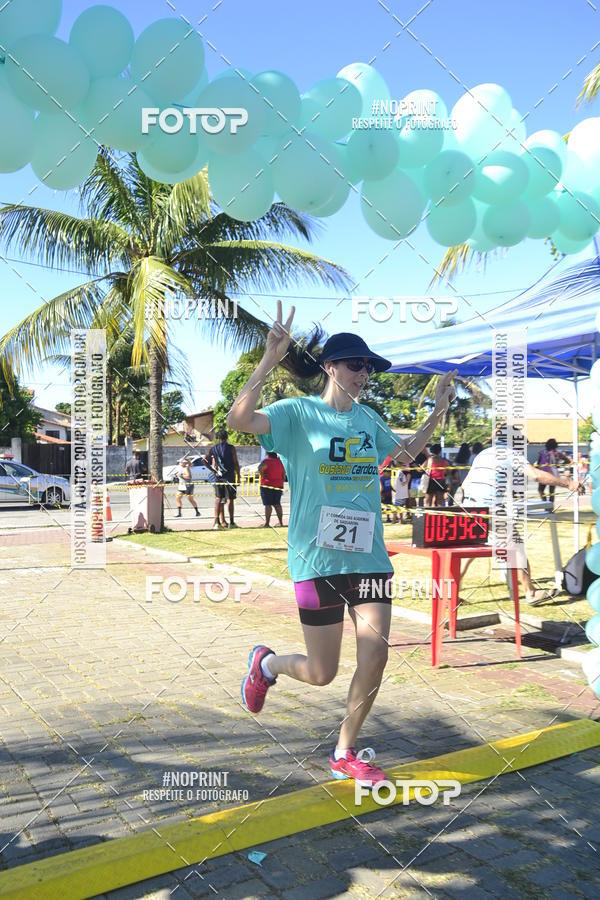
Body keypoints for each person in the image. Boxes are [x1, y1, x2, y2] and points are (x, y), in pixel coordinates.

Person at [227, 301, 456, 787]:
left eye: (369, 367)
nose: (364, 374)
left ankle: (345, 752)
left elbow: (404, 454)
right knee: (321, 671)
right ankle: (266, 665)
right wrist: (269, 359)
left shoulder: (368, 419)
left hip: (368, 557)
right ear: (330, 367)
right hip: (316, 559)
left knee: (375, 653)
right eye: (356, 365)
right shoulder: (297, 414)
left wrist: (437, 412)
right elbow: (239, 420)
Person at [462, 428, 584, 606]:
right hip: (490, 508)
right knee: (516, 547)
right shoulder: (510, 454)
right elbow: (536, 475)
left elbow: (466, 483)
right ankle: (530, 593)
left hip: (469, 507)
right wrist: (568, 483)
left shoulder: (484, 453)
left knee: (468, 553)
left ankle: (450, 594)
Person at [204, 429, 241, 530]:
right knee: (230, 500)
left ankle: (216, 523)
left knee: (218, 498)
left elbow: (204, 460)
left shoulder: (213, 448)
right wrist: (238, 475)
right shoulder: (231, 448)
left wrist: (213, 470)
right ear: (227, 437)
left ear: (217, 438)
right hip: (229, 477)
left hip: (218, 477)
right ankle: (232, 522)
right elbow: (236, 462)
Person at [537, 439, 572, 505]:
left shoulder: (542, 452)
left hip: (543, 473)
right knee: (552, 492)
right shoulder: (558, 453)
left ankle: (545, 503)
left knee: (540, 490)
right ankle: (550, 507)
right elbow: (568, 461)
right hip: (553, 473)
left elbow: (538, 463)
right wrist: (557, 465)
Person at [258, 451, 285, 527]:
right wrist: (281, 484)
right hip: (278, 485)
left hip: (267, 484)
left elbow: (260, 468)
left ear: (267, 453)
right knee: (277, 504)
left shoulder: (267, 461)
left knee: (268, 504)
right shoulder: (280, 462)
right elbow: (283, 474)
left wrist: (263, 475)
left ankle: (267, 523)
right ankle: (280, 522)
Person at [425, 443, 448, 507]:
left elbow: (428, 471)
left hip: (432, 480)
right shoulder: (443, 460)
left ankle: (428, 515)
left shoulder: (431, 459)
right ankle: (439, 516)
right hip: (441, 480)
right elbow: (445, 471)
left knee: (428, 502)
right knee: (440, 502)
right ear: (440, 451)